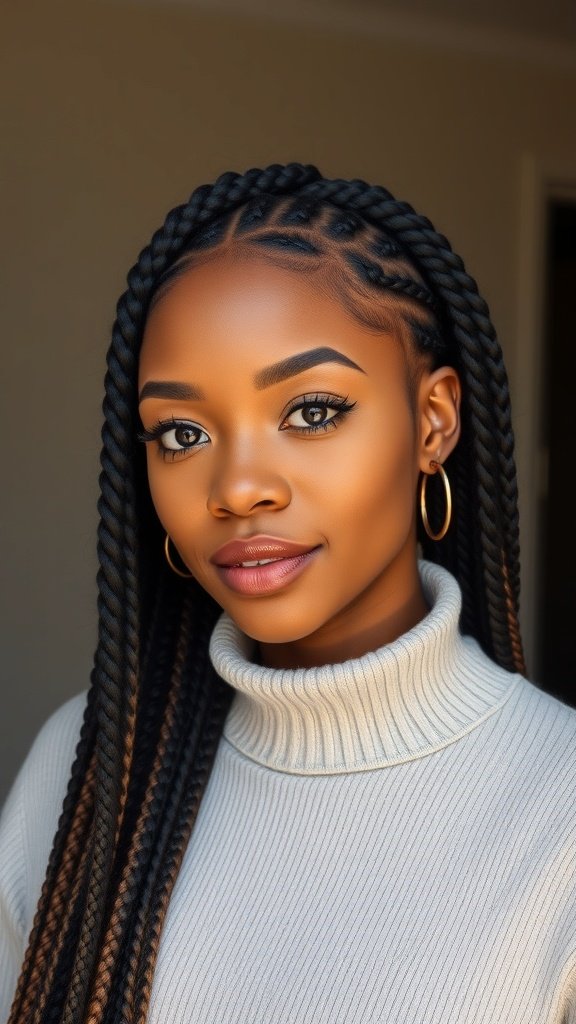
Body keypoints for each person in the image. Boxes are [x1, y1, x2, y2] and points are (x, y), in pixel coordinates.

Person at [1, 162, 575, 1024]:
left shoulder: (558, 806)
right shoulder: (86, 772)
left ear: (433, 422)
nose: (237, 488)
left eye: (311, 411)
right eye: (182, 433)